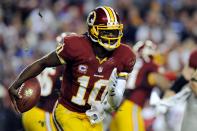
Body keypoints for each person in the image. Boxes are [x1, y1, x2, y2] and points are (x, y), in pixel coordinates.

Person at [8, 6, 136, 131]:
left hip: (93, 117)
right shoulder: (76, 47)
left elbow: (115, 102)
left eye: (114, 31)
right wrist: (16, 84)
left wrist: (110, 98)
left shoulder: (125, 55)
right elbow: (43, 63)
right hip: (68, 112)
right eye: (106, 31)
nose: (112, 36)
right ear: (93, 30)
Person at [109, 40, 171, 131]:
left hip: (116, 110)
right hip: (131, 108)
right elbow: (160, 81)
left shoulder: (129, 63)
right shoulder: (149, 66)